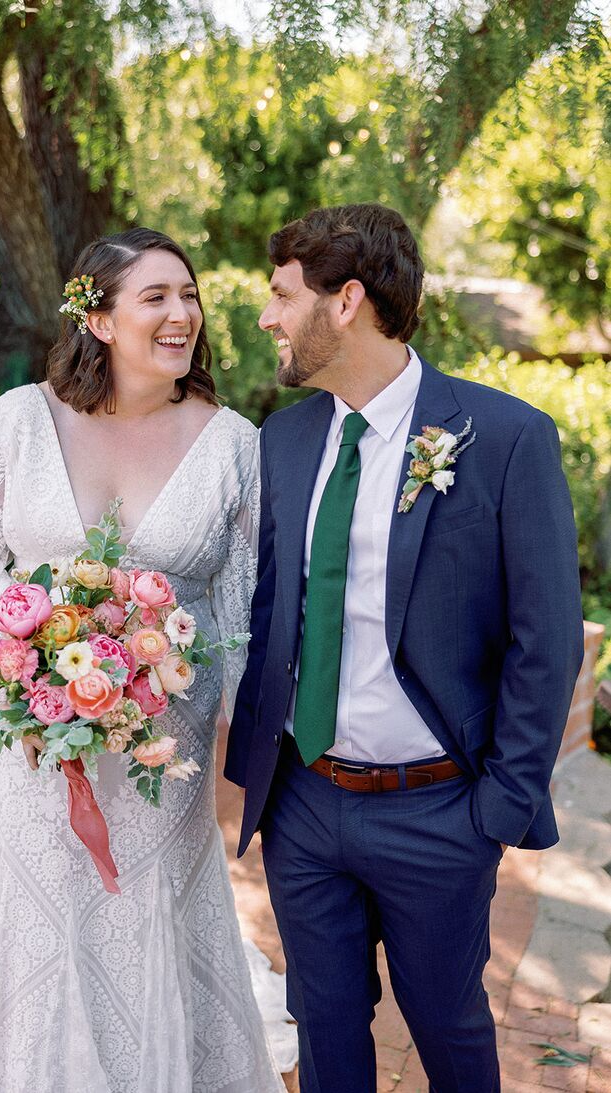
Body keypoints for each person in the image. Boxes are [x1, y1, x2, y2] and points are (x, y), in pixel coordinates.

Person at [225, 203, 585, 1093]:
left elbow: (546, 641)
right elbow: (276, 608)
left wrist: (496, 811)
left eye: (280, 295)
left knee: (449, 1038)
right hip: (304, 807)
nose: (267, 316)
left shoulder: (503, 438)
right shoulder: (286, 438)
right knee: (327, 1039)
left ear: (344, 301)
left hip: (439, 812)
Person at [0, 228, 284, 1092]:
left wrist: (225, 722)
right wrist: (26, 671)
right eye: (156, 297)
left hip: (165, 742)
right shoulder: (5, 425)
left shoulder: (233, 443)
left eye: (189, 295)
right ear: (96, 317)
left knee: (149, 917)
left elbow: (241, 607)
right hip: (30, 746)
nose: (182, 315)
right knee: (44, 923)